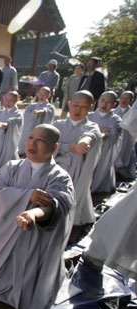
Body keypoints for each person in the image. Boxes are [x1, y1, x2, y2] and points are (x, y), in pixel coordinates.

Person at [0, 124, 75, 309]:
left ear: (54, 148)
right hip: (1, 234)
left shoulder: (60, 177)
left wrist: (34, 214)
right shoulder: (12, 167)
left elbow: (59, 205)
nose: (33, 143)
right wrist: (27, 196)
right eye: (31, 137)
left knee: (19, 287)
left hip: (32, 241)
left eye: (40, 140)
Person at [53, 91, 101, 230]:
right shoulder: (58, 124)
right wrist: (70, 147)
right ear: (69, 104)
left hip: (76, 170)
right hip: (56, 166)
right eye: (75, 105)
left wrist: (84, 142)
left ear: (91, 108)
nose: (78, 109)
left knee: (74, 195)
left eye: (83, 106)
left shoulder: (91, 126)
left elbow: (90, 136)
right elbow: (49, 143)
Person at [88, 91, 122, 193]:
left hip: (104, 151)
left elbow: (113, 133)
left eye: (108, 102)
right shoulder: (89, 116)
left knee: (101, 168)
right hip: (89, 148)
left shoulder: (115, 119)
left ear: (114, 104)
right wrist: (102, 130)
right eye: (102, 101)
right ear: (98, 101)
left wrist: (100, 132)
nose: (104, 104)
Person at [18, 87, 55, 157]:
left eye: (44, 95)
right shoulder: (32, 105)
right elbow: (26, 116)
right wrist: (34, 115)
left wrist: (41, 112)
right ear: (37, 94)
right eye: (40, 94)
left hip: (39, 134)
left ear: (49, 95)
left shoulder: (50, 107)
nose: (41, 96)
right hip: (28, 131)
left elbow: (46, 111)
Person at [114, 91, 136, 180]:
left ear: (131, 101)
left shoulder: (132, 113)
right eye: (122, 98)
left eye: (127, 99)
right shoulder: (113, 111)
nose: (123, 100)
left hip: (127, 139)